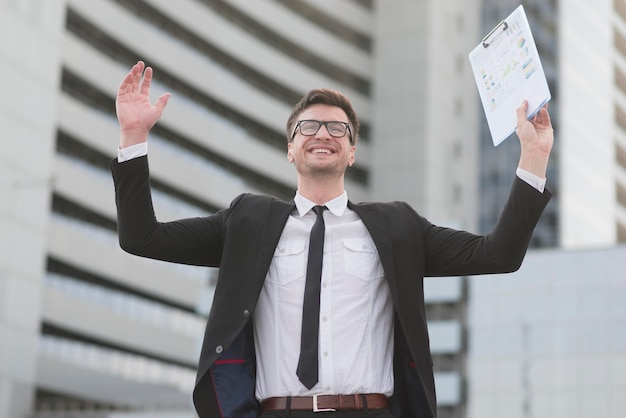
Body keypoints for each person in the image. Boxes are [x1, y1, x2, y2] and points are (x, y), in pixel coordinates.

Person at [111, 61, 553, 418]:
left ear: (352, 151)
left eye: (337, 129)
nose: (323, 134)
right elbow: (142, 237)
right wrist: (134, 137)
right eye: (308, 127)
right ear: (290, 148)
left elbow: (499, 253)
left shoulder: (397, 226)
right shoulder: (247, 222)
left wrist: (533, 157)